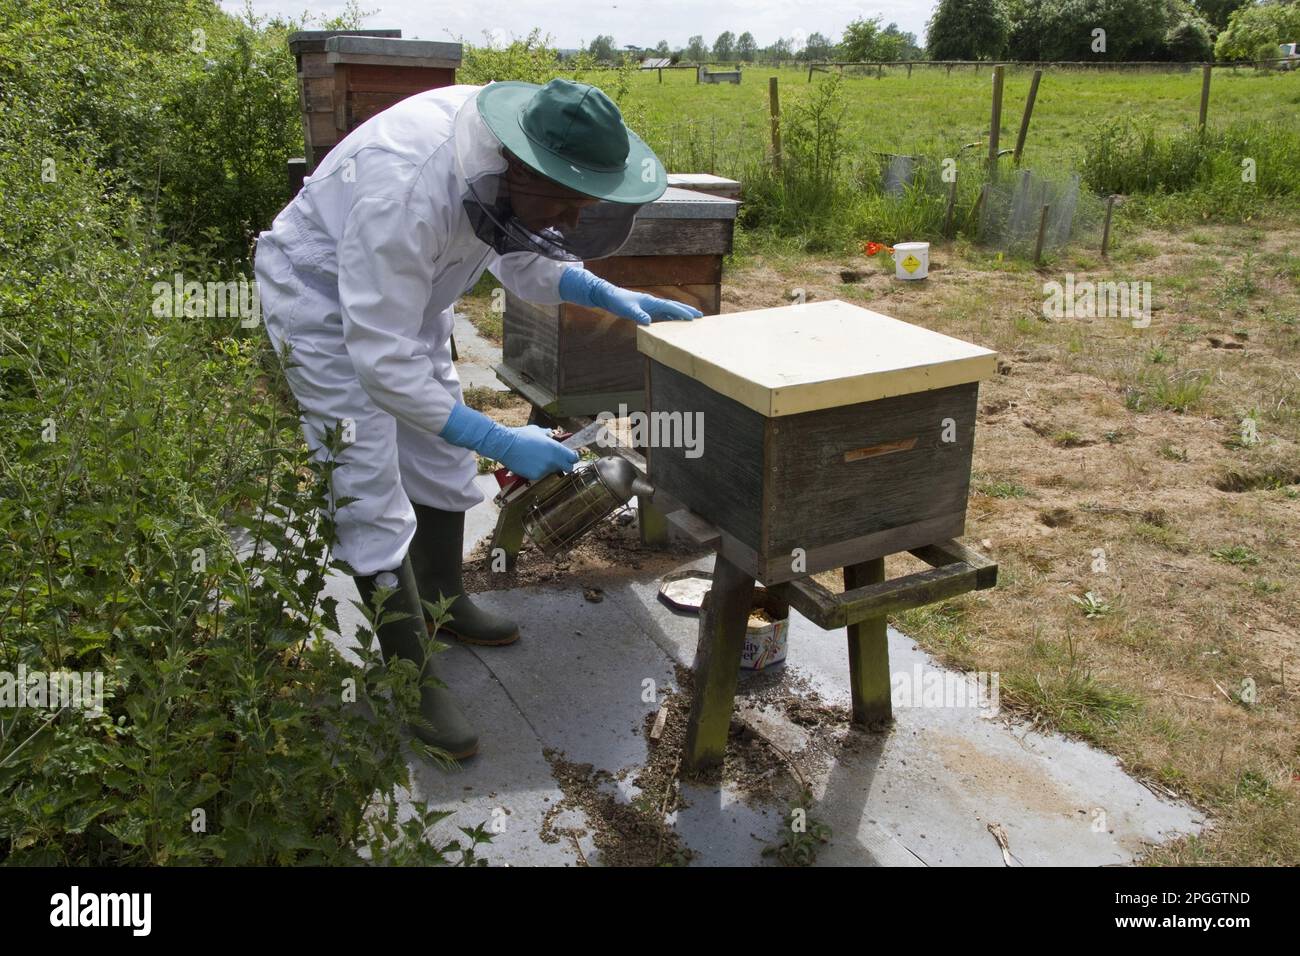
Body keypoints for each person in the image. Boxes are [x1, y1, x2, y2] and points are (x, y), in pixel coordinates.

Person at [253, 79, 700, 759]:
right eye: (568, 201)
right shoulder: (405, 188)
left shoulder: (511, 156)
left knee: (438, 452)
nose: (575, 219)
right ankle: (410, 679)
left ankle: (442, 598)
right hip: (319, 301)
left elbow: (524, 249)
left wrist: (599, 288)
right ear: (518, 166)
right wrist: (496, 439)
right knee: (366, 480)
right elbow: (381, 365)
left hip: (412, 293)